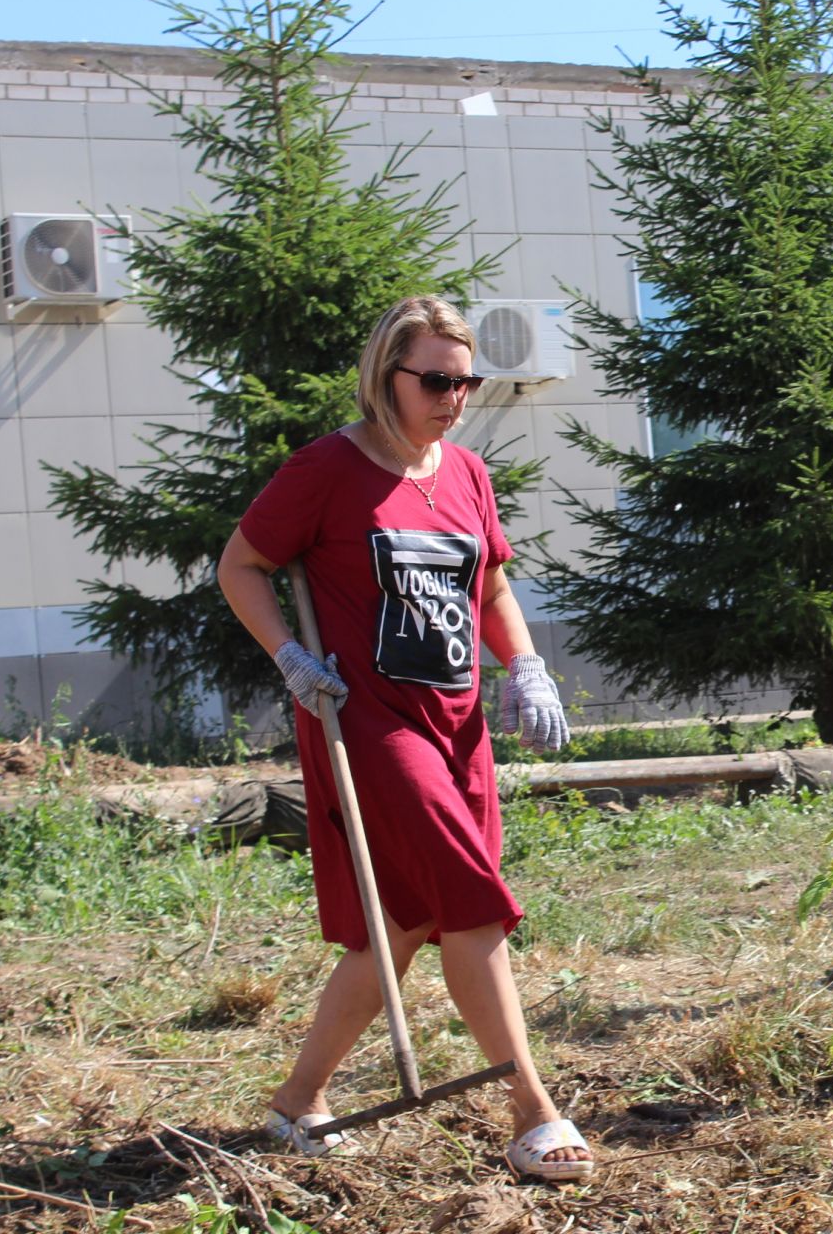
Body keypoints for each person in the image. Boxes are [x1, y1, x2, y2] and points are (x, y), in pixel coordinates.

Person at [215, 296, 594, 1181]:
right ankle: (532, 1108)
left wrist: (526, 666)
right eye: (435, 379)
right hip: (369, 722)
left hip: (457, 723)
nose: (453, 397)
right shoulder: (326, 470)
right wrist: (290, 658)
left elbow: (491, 586)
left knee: (409, 918)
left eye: (464, 381)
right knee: (473, 899)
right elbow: (241, 564)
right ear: (385, 375)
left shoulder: (464, 471)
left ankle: (297, 1101)